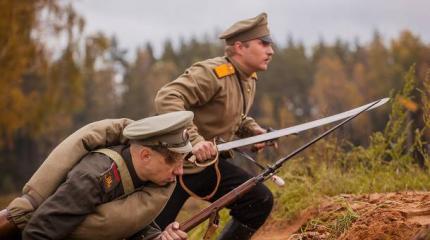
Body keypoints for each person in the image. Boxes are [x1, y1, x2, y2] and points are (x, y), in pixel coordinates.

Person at [153, 12, 275, 239]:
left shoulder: (247, 78)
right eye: (263, 44)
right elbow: (167, 97)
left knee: (258, 200)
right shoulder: (212, 73)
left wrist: (253, 131)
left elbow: (232, 115)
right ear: (240, 47)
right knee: (149, 234)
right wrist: (194, 141)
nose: (271, 51)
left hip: (206, 166)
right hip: (172, 167)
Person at [1, 111, 193, 240]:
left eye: (182, 162)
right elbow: (39, 232)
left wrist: (159, 236)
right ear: (145, 155)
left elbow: (122, 220)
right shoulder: (94, 177)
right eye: (172, 162)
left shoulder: (143, 177)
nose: (180, 171)